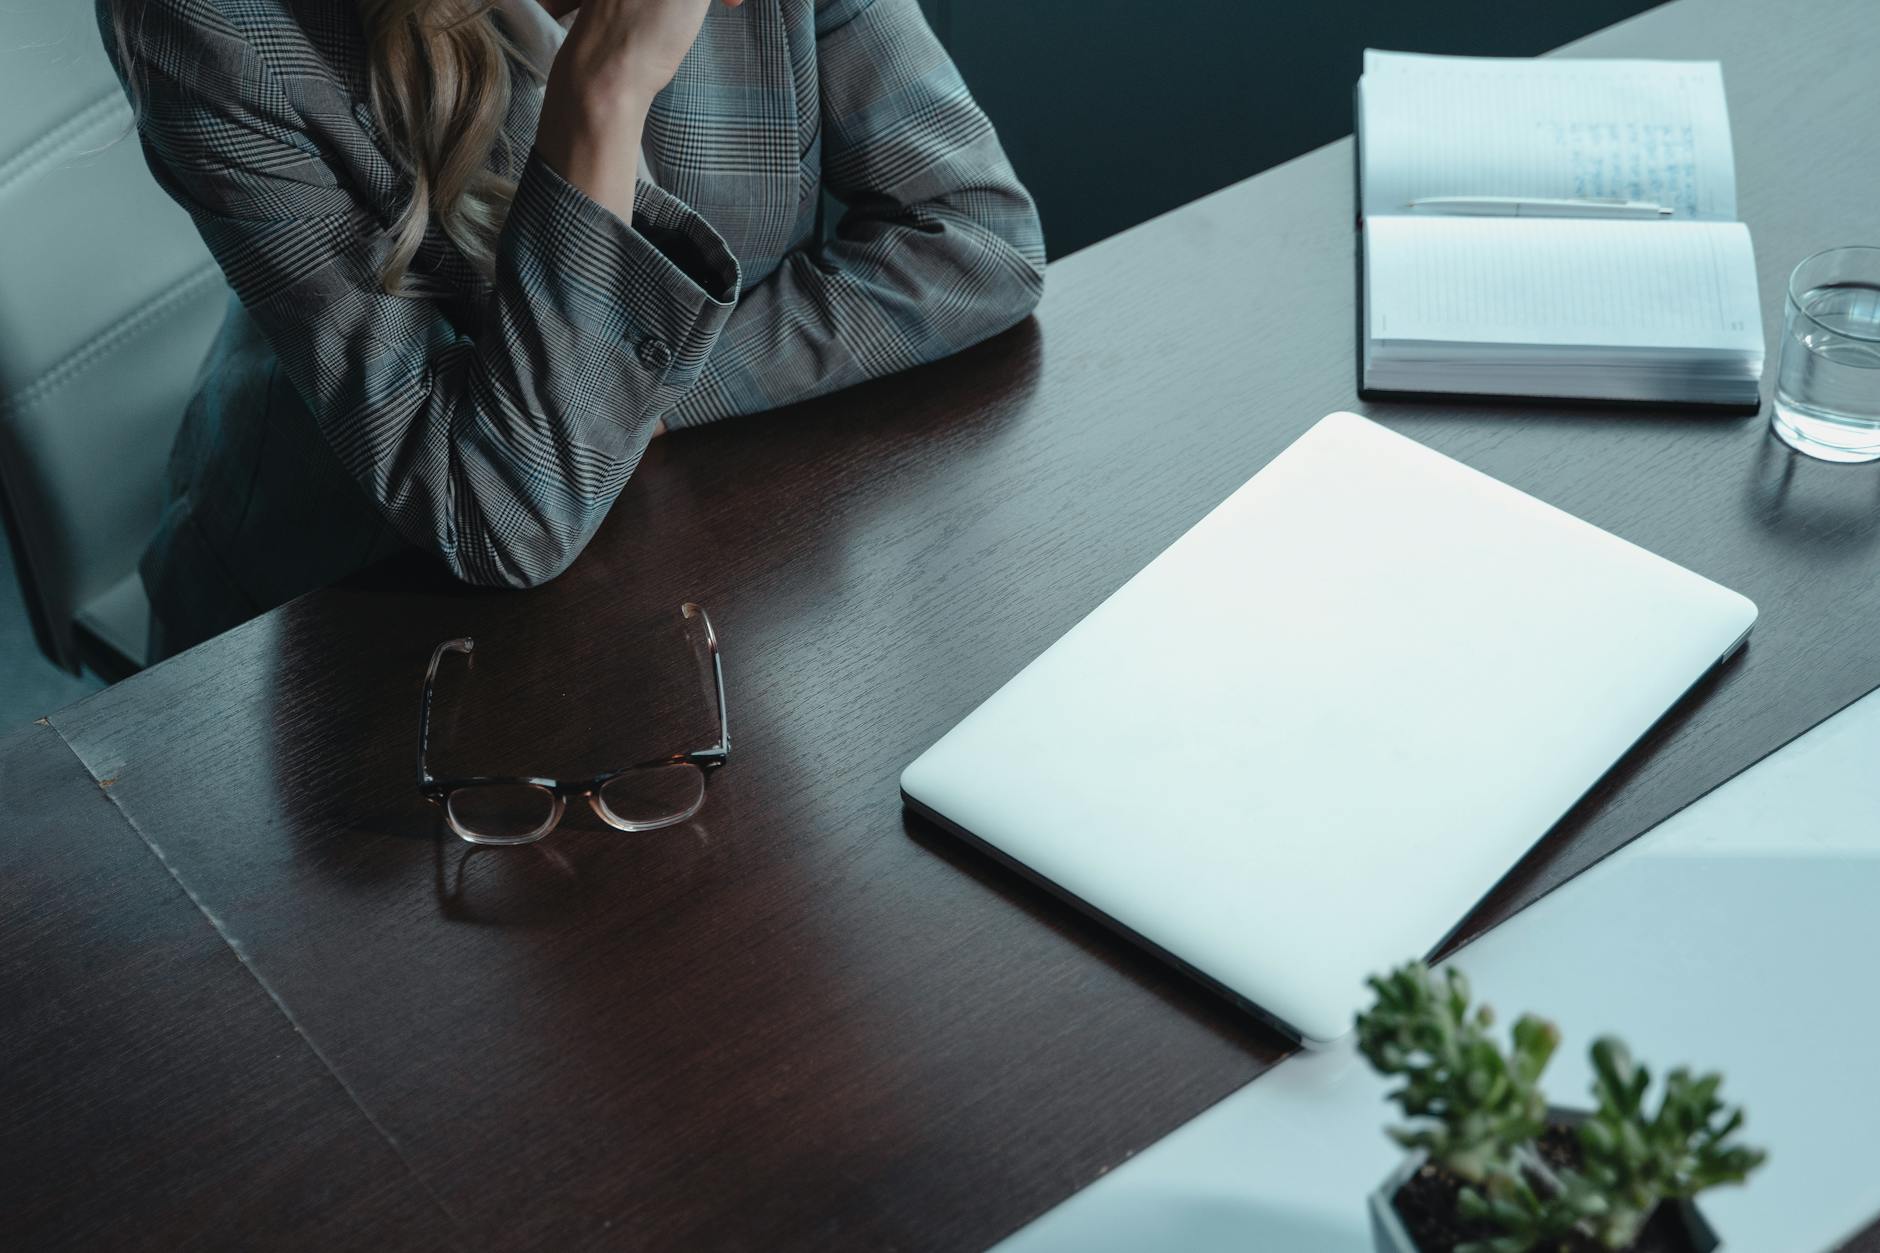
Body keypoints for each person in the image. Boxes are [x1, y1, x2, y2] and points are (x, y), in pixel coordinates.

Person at [99, 0, 1045, 658]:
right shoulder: (211, 20)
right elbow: (500, 510)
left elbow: (975, 236)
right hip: (346, 608)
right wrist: (607, 88)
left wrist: (655, 402)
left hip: (679, 566)